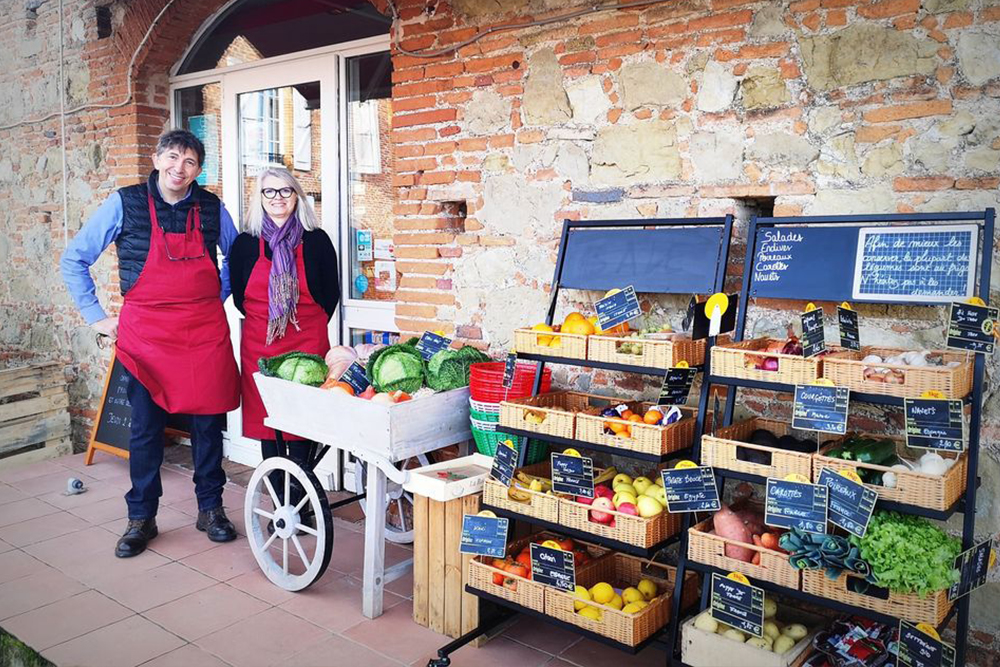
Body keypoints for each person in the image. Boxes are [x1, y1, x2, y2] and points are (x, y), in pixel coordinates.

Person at [61, 129, 241, 557]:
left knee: (207, 427)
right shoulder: (125, 203)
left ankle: (211, 508)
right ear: (158, 158)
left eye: (191, 162)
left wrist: (217, 296)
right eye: (173, 157)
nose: (180, 168)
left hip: (203, 332)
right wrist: (98, 318)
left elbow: (238, 256)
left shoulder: (212, 207)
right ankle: (141, 517)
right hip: (147, 336)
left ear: (199, 170)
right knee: (144, 430)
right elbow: (75, 259)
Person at [229, 167, 338, 517]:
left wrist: (303, 321)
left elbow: (330, 294)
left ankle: (301, 496)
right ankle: (281, 501)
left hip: (307, 339)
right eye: (269, 192)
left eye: (286, 191)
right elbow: (239, 298)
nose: (278, 198)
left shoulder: (316, 239)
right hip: (261, 344)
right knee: (269, 422)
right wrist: (272, 321)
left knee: (305, 423)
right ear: (259, 199)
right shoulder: (245, 243)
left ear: (297, 196)